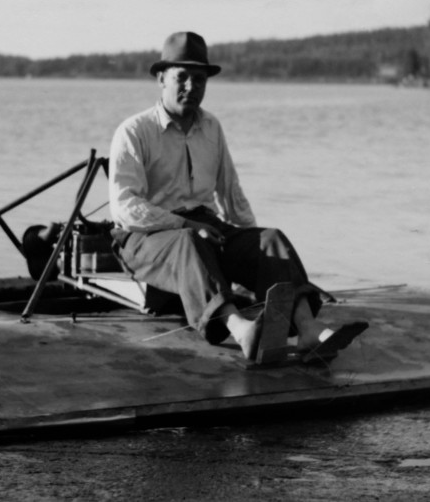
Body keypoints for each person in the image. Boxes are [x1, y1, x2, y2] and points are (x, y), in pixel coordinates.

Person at [108, 31, 366, 362]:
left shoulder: (211, 128)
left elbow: (231, 195)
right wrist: (184, 223)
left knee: (271, 241)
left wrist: (253, 257)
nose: (191, 86)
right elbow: (125, 207)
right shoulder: (133, 131)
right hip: (143, 238)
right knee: (189, 241)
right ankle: (241, 329)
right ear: (161, 78)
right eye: (181, 77)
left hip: (203, 225)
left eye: (199, 79)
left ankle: (307, 329)